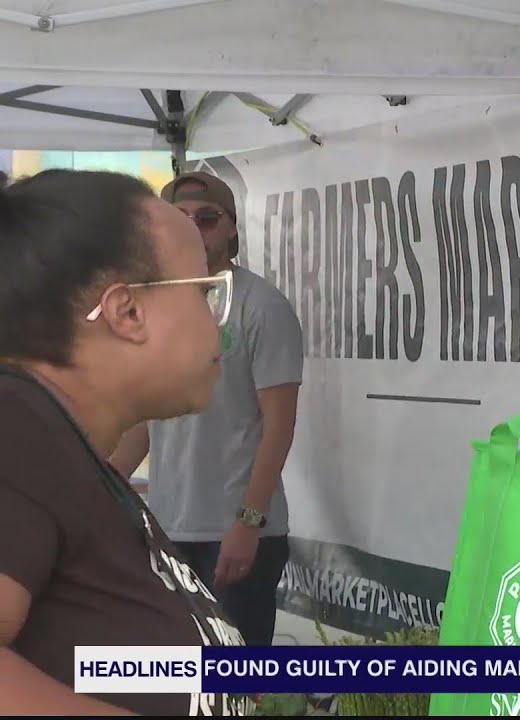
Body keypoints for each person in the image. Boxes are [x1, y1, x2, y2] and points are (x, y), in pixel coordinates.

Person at [0, 168, 251, 715]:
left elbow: (106, 664)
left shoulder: (77, 465)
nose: (216, 325)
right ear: (127, 312)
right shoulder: (16, 431)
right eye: (205, 293)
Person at [111, 171, 304, 648]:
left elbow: (279, 425)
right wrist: (103, 479)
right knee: (180, 684)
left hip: (238, 531)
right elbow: (148, 420)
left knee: (237, 685)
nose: (194, 228)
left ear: (233, 229)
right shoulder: (157, 307)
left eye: (208, 218)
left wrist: (248, 522)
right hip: (169, 528)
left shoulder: (262, 307)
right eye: (179, 219)